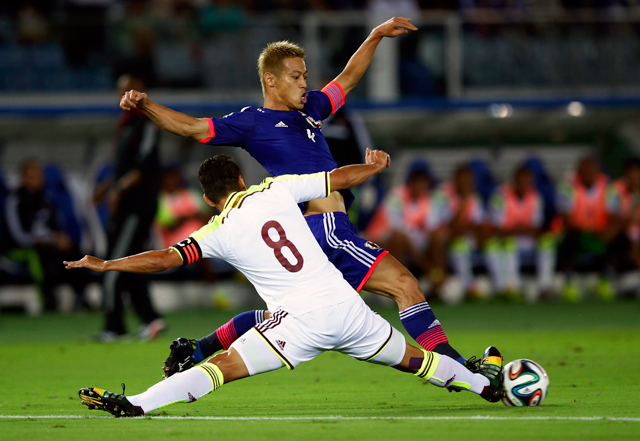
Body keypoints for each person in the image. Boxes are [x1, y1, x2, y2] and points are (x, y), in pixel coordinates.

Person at [119, 18, 483, 372]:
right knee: (404, 284)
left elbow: (349, 78)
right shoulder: (254, 121)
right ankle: (456, 365)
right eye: (296, 77)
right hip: (324, 227)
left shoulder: (311, 110)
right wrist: (147, 105)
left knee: (286, 315)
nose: (304, 84)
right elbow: (190, 127)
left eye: (305, 76)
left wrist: (374, 35)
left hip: (317, 229)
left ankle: (202, 347)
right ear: (271, 80)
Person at [67, 152, 504, 417]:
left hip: (296, 325)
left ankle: (139, 403)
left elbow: (163, 259)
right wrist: (372, 168)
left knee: (220, 370)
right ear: (241, 180)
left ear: (207, 199)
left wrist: (107, 264)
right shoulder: (277, 189)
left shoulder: (214, 231)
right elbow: (338, 179)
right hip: (347, 308)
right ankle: (488, 387)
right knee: (418, 361)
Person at [93, 74, 164, 341]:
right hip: (127, 204)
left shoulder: (147, 123)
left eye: (132, 91)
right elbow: (125, 167)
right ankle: (151, 319)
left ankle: (114, 326)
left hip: (135, 206)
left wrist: (117, 191)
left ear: (142, 94)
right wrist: (108, 186)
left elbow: (143, 166)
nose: (125, 96)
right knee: (132, 263)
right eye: (122, 91)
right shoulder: (127, 125)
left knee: (111, 264)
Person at [3, 159, 89, 311]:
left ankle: (80, 297)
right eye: (32, 176)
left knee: (76, 254)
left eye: (39, 176)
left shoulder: (46, 198)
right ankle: (47, 300)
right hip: (23, 248)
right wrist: (43, 240)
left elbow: (57, 224)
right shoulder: (15, 200)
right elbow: (18, 233)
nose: (37, 180)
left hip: (49, 244)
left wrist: (61, 237)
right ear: (23, 178)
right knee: (39, 257)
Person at [365, 159, 446, 281]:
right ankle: (398, 281)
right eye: (417, 180)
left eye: (424, 180)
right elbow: (397, 230)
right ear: (410, 180)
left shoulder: (430, 199)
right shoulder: (396, 197)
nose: (421, 184)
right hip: (381, 240)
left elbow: (431, 228)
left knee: (437, 236)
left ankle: (438, 280)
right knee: (399, 239)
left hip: (412, 241)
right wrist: (425, 265)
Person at [556, 156, 624, 301]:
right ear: (579, 171)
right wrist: (588, 231)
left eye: (591, 170)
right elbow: (566, 219)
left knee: (620, 237)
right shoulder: (568, 188)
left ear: (598, 171)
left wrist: (609, 232)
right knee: (570, 238)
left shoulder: (608, 187)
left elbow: (616, 217)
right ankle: (569, 281)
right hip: (579, 232)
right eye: (585, 170)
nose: (588, 173)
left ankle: (605, 279)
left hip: (600, 233)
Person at [485, 166, 555, 300]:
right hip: (508, 240)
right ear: (515, 180)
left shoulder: (535, 197)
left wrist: (517, 229)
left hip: (527, 241)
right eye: (521, 181)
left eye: (528, 182)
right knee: (506, 243)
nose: (524, 185)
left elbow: (537, 228)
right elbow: (498, 229)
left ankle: (545, 286)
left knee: (547, 241)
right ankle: (510, 287)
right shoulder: (500, 197)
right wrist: (522, 229)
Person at [439, 164, 486, 297]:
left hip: (470, 239)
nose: (466, 183)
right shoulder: (446, 196)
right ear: (456, 180)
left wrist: (465, 228)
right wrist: (464, 201)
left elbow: (478, 226)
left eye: (469, 180)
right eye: (463, 180)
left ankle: (505, 285)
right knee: (460, 245)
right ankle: (467, 286)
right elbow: (451, 226)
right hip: (449, 240)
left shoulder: (475, 198)